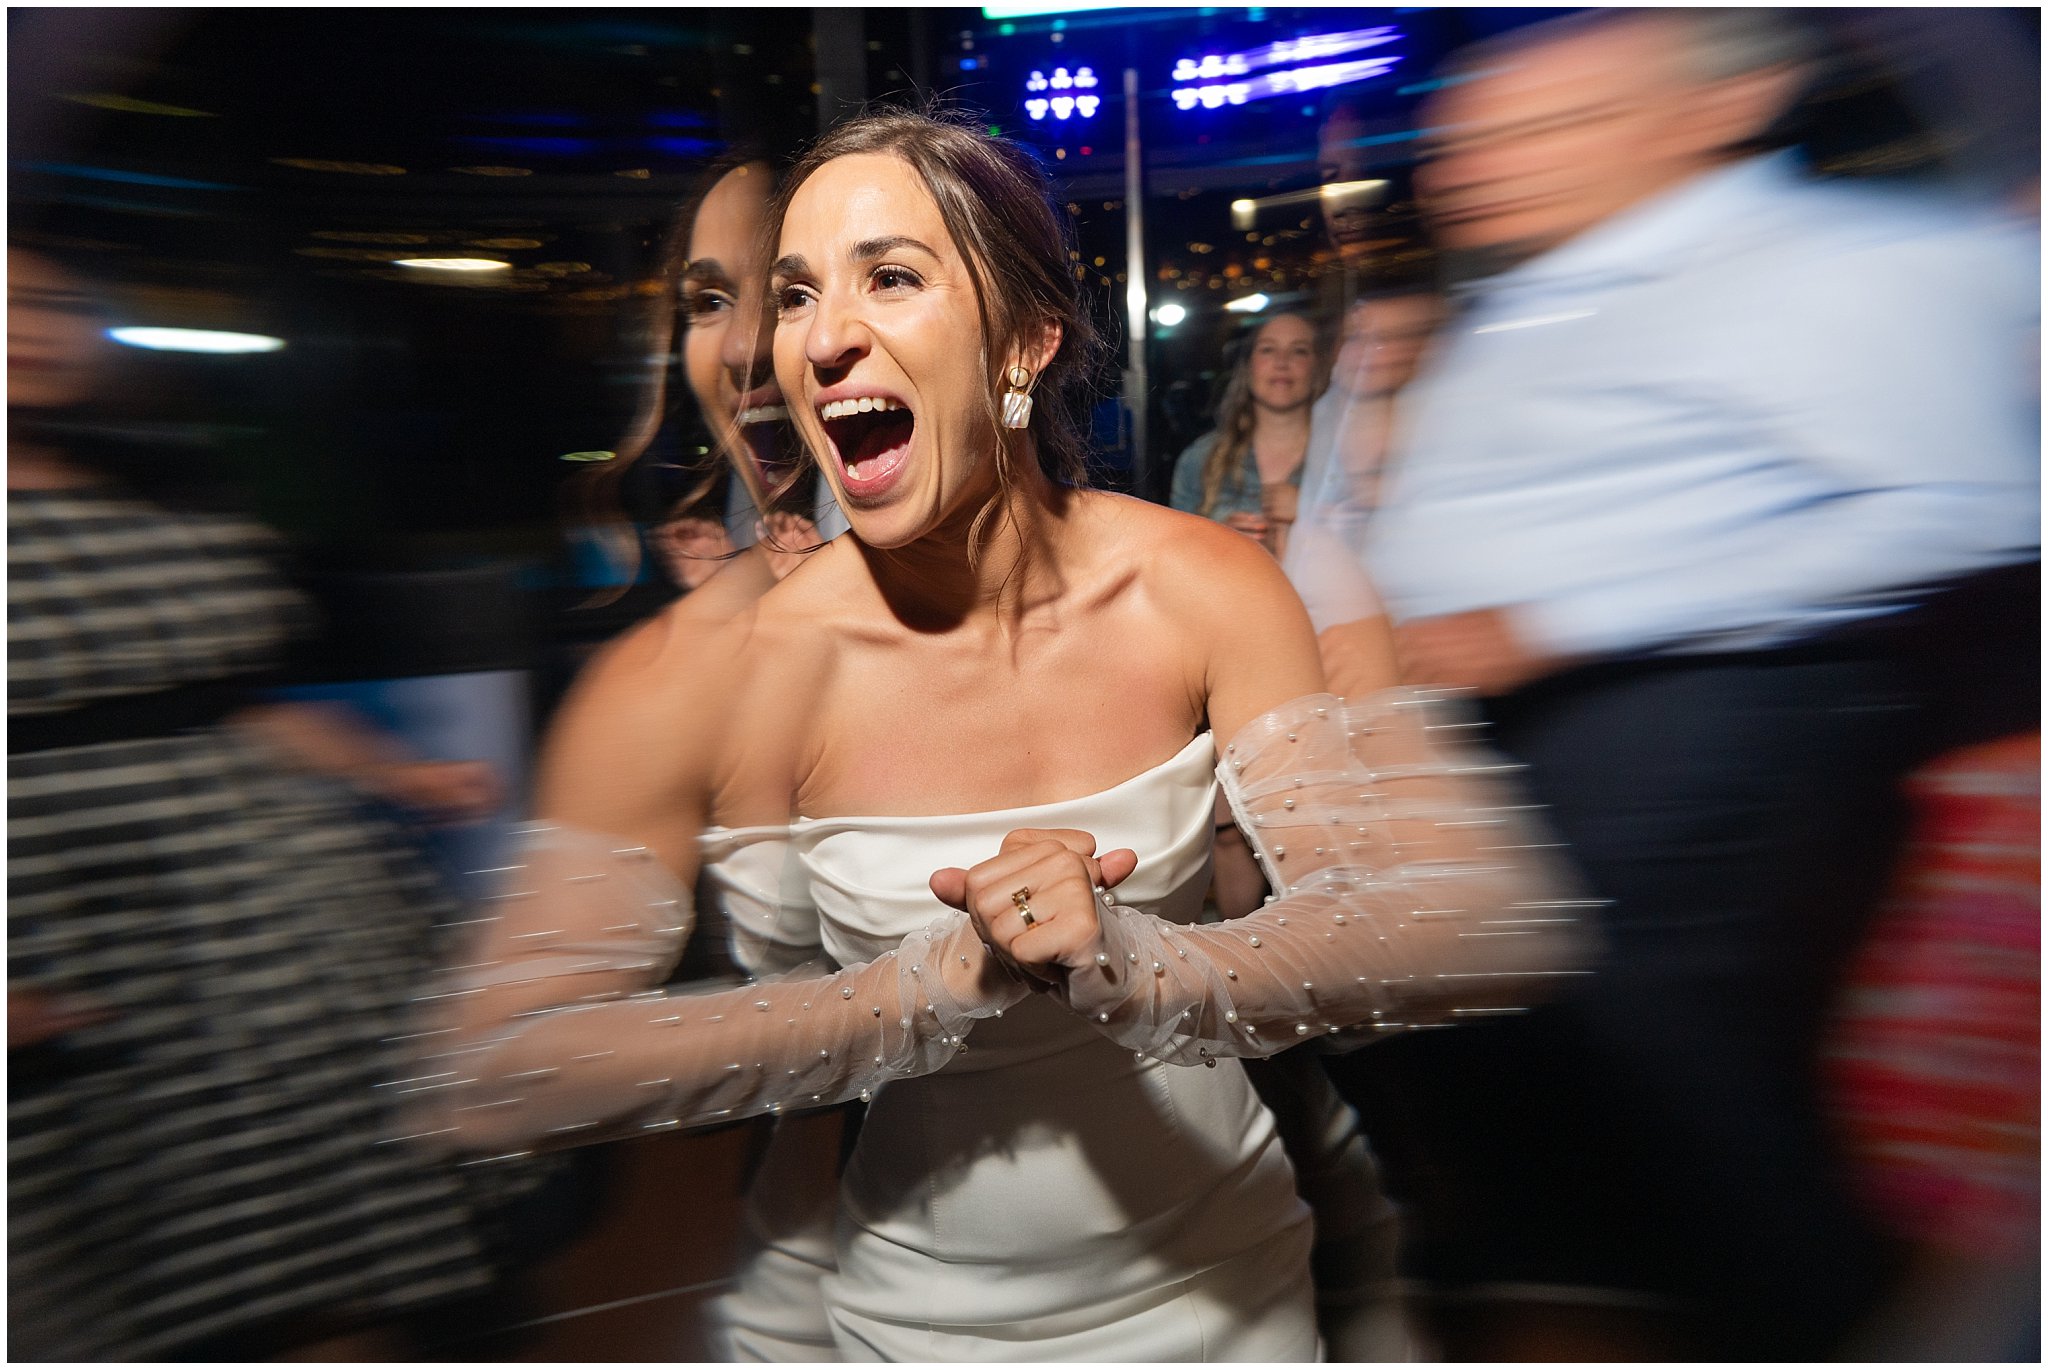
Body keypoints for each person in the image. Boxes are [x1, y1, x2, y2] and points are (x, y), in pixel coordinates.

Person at [410, 109, 1585, 1362]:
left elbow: (1427, 919)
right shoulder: (718, 664)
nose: (815, 337)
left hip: (1231, 1285)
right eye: (796, 293)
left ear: (1025, 341)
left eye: (891, 277)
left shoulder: (1200, 585)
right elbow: (499, 1068)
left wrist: (1148, 963)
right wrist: (917, 989)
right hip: (910, 1315)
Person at [1343, 10, 2039, 1359]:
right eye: (1470, 137)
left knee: (1653, 1033)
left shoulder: (1836, 265)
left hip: (1719, 706)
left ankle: (1836, 1319)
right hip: (1509, 721)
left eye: (1552, 126)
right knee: (1476, 1037)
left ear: (1715, 110)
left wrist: (1563, 617)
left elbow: (1969, 505)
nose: (1481, 166)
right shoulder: (1544, 283)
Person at [6, 245, 529, 1360]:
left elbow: (230, 703)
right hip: (61, 919)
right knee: (99, 1273)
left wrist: (400, 774)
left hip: (263, 924)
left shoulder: (163, 484)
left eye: (48, 301)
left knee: (330, 1247)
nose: (28, 326)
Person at [1167, 311, 1323, 558]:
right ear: (1248, 365)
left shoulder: (1347, 458)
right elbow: (1173, 559)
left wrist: (1314, 513)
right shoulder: (1200, 460)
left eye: (1299, 350)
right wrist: (1218, 541)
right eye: (1268, 349)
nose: (1282, 362)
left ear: (1317, 367)